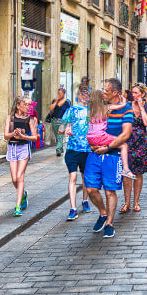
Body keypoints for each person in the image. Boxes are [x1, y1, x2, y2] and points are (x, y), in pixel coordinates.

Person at [84, 79, 133, 238]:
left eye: (106, 91)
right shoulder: (98, 107)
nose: (103, 93)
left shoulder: (126, 110)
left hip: (112, 156)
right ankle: (103, 212)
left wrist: (108, 147)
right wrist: (91, 144)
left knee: (109, 191)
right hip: (95, 154)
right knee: (91, 189)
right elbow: (89, 129)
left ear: (115, 93)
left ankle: (110, 223)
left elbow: (125, 135)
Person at [58, 88, 91, 220]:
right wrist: (65, 128)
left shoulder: (91, 111)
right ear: (77, 95)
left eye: (86, 94)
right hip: (72, 149)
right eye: (81, 94)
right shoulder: (71, 110)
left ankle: (85, 200)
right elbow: (60, 128)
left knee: (84, 177)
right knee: (72, 177)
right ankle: (73, 208)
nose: (83, 96)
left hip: (87, 150)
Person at [121, 83, 147, 214]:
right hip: (128, 142)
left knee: (138, 173)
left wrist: (141, 107)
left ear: (143, 94)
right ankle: (127, 202)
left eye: (136, 93)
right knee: (126, 173)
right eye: (132, 93)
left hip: (141, 143)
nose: (133, 95)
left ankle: (136, 202)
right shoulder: (127, 106)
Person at [87, 91, 135, 180]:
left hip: (90, 138)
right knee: (123, 145)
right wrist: (123, 100)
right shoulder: (105, 108)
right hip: (100, 136)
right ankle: (125, 169)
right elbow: (121, 106)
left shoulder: (90, 110)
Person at [4, 96, 39, 216]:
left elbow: (35, 137)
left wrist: (23, 137)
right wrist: (13, 134)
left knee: (20, 176)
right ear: (18, 106)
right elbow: (5, 135)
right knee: (14, 179)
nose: (28, 107)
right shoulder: (10, 118)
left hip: (23, 148)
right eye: (26, 104)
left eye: (29, 105)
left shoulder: (30, 119)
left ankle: (17, 207)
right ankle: (23, 194)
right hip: (12, 148)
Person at [45, 88, 71, 156]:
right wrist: (56, 101)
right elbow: (51, 108)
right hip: (54, 120)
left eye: (61, 93)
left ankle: (58, 149)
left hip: (62, 121)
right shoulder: (55, 100)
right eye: (58, 93)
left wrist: (68, 122)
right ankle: (61, 147)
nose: (59, 94)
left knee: (60, 135)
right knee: (57, 135)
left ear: (64, 94)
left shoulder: (67, 102)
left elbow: (68, 112)